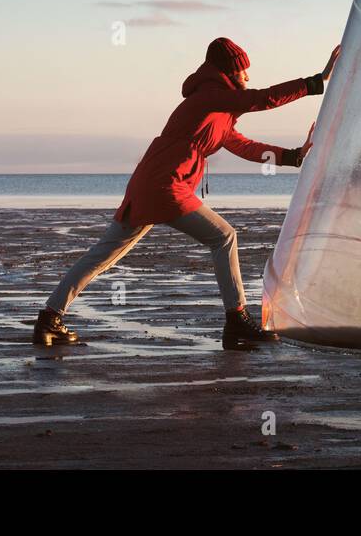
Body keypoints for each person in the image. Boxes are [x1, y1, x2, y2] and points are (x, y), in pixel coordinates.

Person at [34, 37, 341, 350]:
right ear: (229, 72)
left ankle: (49, 319)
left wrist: (294, 156)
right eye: (243, 70)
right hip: (165, 184)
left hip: (151, 182)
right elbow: (261, 99)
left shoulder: (218, 110)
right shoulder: (210, 98)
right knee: (224, 236)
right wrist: (317, 80)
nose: (248, 76)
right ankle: (236, 321)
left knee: (103, 256)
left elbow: (245, 146)